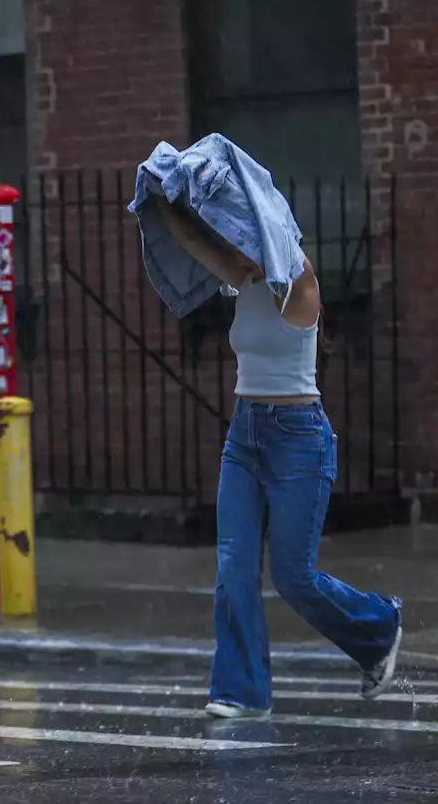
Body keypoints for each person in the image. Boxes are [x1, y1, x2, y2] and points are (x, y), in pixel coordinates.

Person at [152, 196, 403, 719]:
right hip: (244, 436)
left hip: (298, 441)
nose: (241, 243)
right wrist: (158, 198)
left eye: (251, 235)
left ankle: (379, 627)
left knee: (294, 576)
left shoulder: (300, 282)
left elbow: (270, 244)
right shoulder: (245, 277)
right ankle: (242, 691)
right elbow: (195, 242)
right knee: (234, 566)